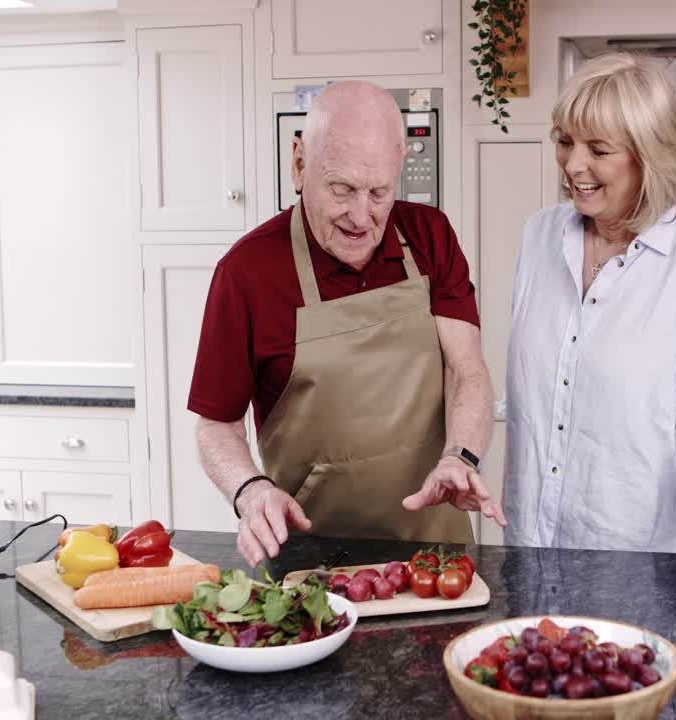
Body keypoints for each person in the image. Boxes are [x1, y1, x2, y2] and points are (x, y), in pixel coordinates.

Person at [189, 81, 506, 567]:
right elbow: (217, 423)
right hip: (310, 565)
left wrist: (460, 457)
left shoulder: (431, 237)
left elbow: (466, 370)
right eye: (342, 189)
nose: (362, 217)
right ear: (299, 163)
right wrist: (250, 491)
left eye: (379, 191)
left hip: (436, 560)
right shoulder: (246, 272)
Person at [504, 53, 676, 599]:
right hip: (529, 557)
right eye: (564, 141)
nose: (573, 165)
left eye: (598, 149)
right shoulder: (538, 239)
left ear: (649, 157)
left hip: (636, 574)